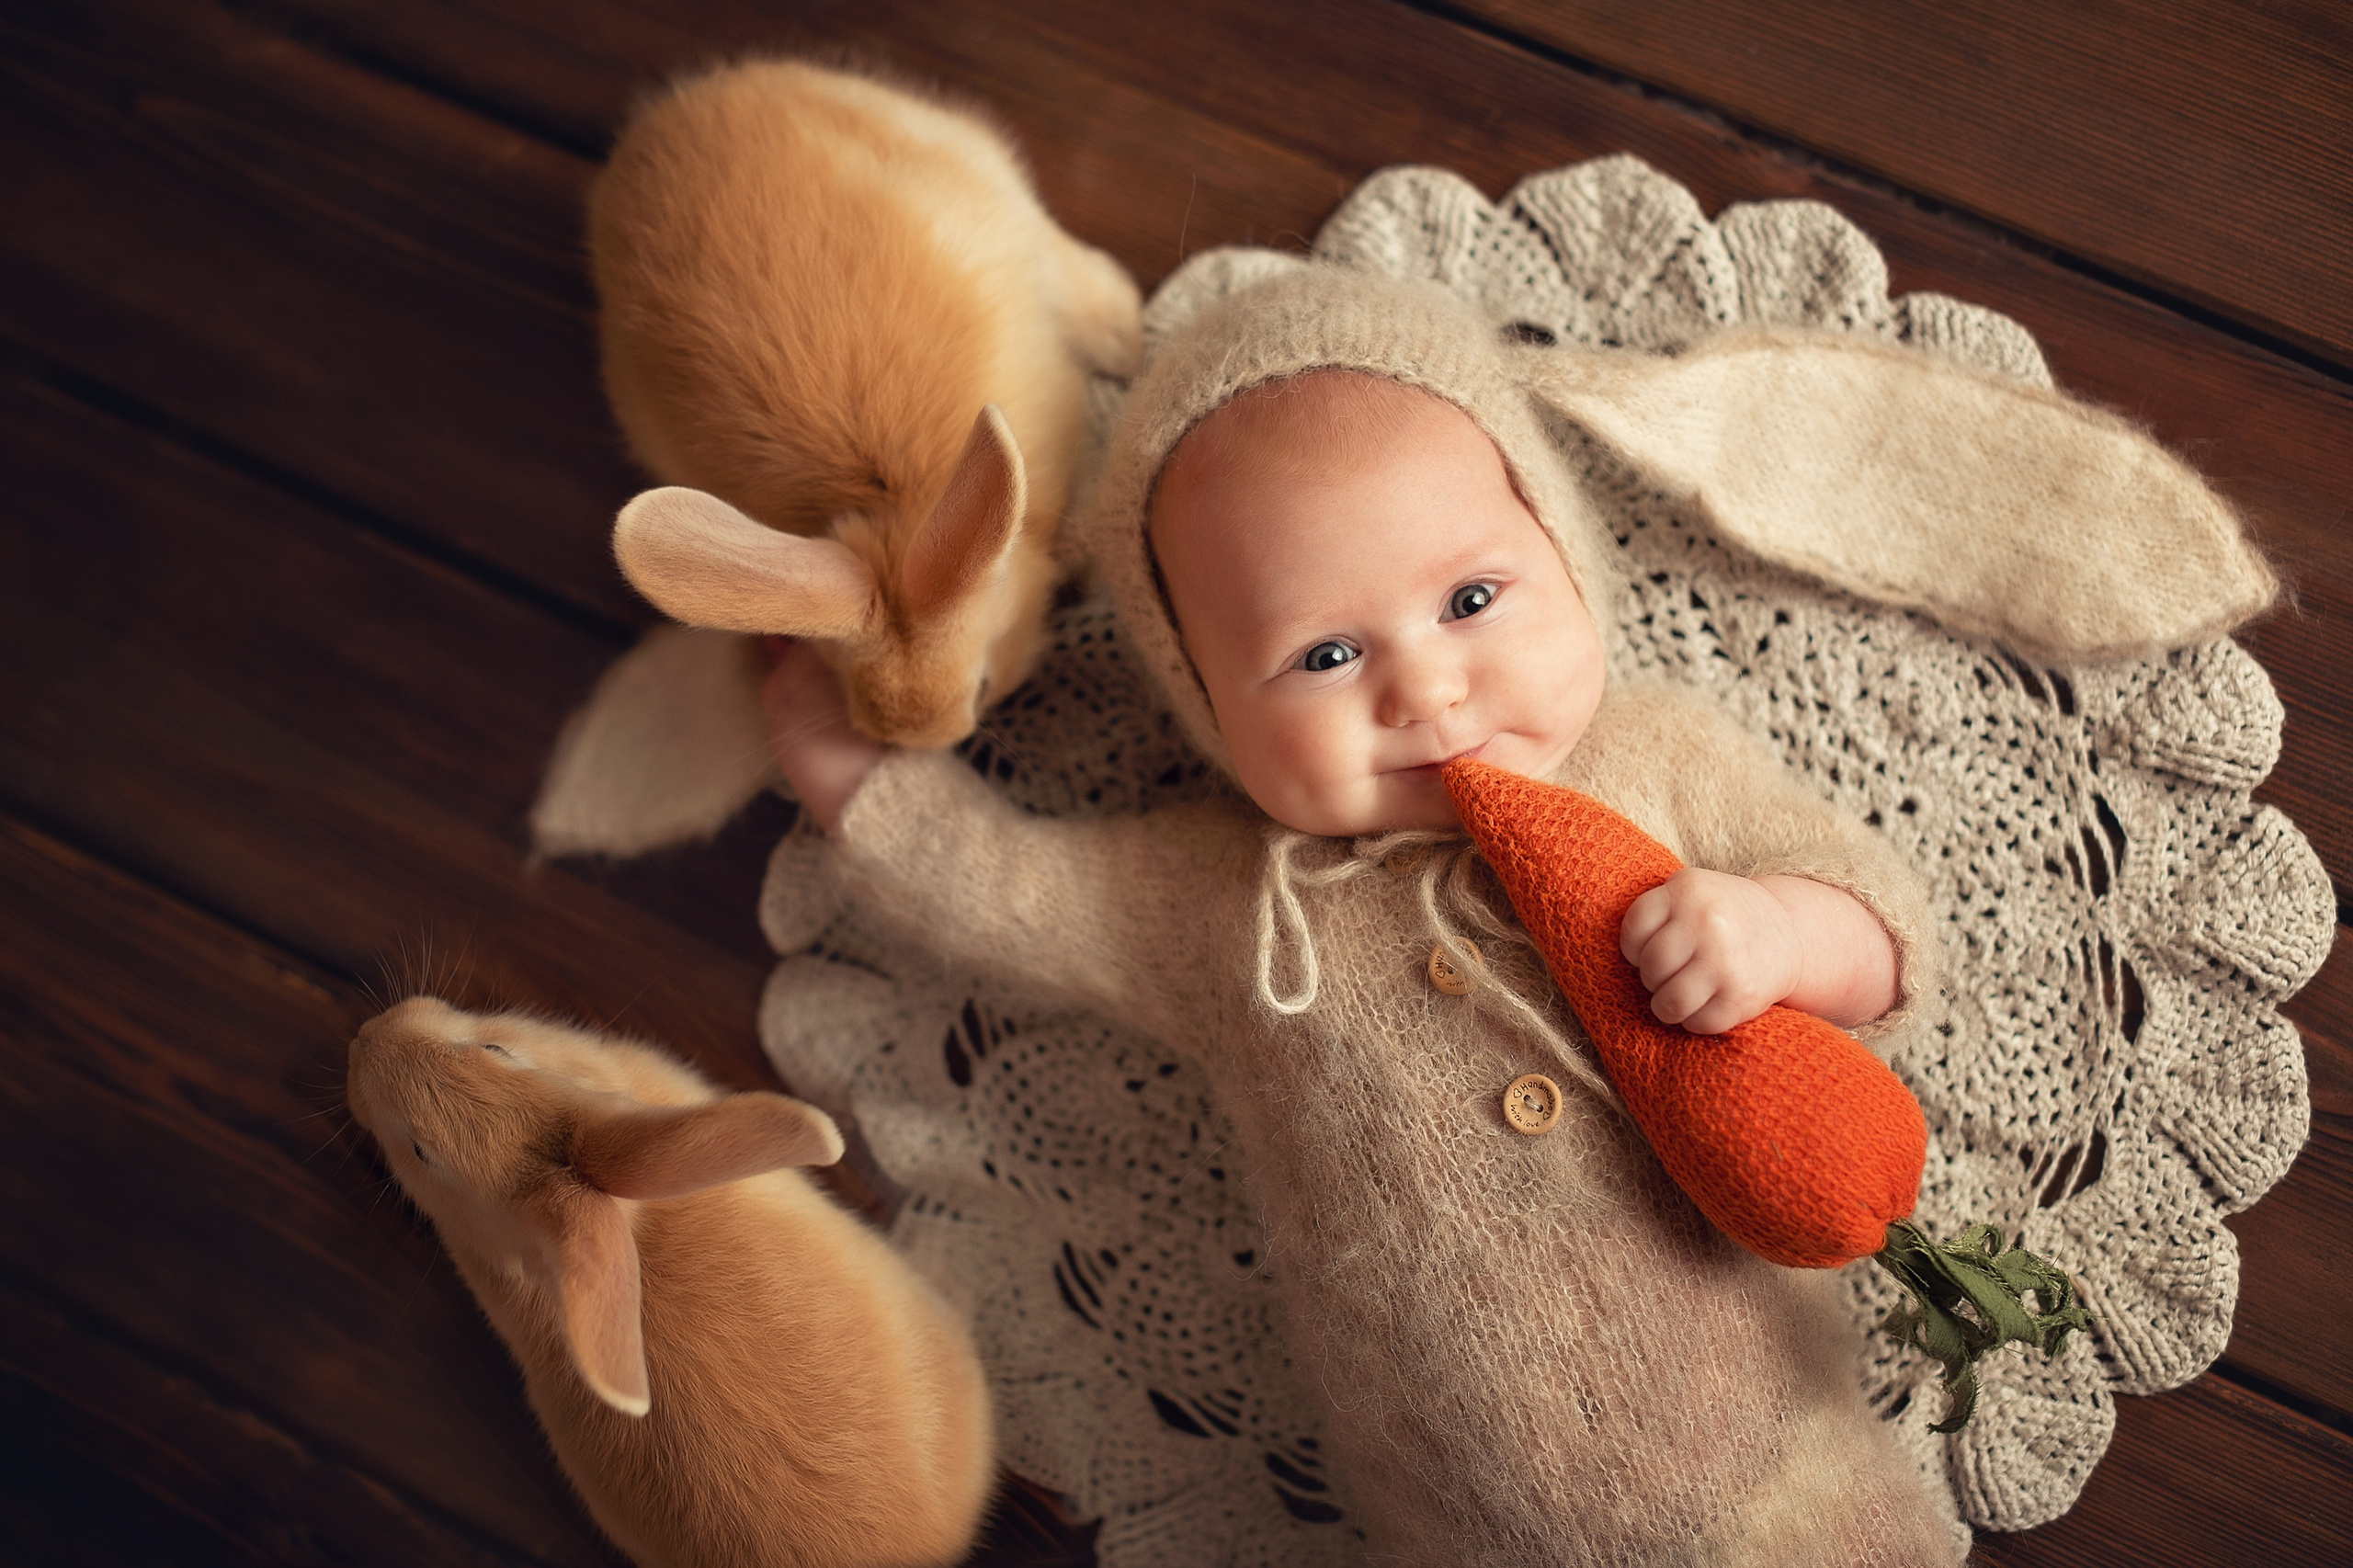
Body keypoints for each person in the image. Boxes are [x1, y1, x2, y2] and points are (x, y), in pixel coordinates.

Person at [763, 265, 1961, 1564]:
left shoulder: (1658, 763)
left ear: (1562, 548)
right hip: (1455, 1519)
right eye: (1325, 656)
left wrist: (1783, 931)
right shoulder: (1227, 904)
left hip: (1800, 1460)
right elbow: (1009, 892)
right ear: (1207, 701)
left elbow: (1890, 933)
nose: (1426, 688)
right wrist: (847, 767)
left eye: (1470, 600)